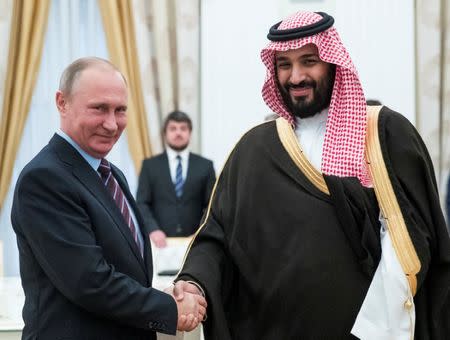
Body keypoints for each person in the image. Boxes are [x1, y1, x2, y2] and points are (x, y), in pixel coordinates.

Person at [171, 11, 450, 339]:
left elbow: (415, 239)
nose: (296, 76)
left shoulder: (382, 133)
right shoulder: (252, 150)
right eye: (284, 64)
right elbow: (215, 236)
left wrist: (375, 328)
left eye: (309, 61)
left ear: (333, 62)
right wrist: (194, 283)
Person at [10, 57, 206, 340]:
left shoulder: (112, 174)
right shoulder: (44, 178)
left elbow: (124, 270)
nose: (112, 124)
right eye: (99, 108)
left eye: (121, 110)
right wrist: (170, 308)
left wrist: (159, 296)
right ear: (61, 102)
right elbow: (89, 282)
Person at [136, 111, 216, 248]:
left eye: (183, 128)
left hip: (196, 243)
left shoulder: (206, 166)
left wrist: (201, 231)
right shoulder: (149, 165)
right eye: (173, 128)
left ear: (190, 133)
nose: (178, 133)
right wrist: (153, 229)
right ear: (165, 133)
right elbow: (142, 203)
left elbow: (212, 205)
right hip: (158, 245)